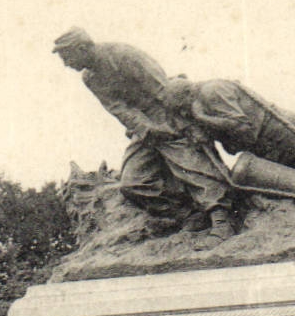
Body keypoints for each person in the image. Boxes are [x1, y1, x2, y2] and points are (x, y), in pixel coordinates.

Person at [52, 27, 236, 240]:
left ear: (82, 48)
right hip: (142, 127)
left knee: (193, 166)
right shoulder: (90, 78)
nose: (66, 64)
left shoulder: (122, 54)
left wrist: (183, 123)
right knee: (133, 183)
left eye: (67, 56)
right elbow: (118, 108)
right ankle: (190, 215)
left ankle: (222, 220)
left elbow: (162, 88)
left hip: (166, 111)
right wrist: (146, 129)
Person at [159, 76, 295, 183]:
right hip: (270, 146)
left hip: (284, 135)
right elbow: (233, 146)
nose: (186, 115)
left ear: (186, 97)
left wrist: (202, 119)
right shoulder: (203, 103)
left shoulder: (212, 91)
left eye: (183, 110)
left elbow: (242, 126)